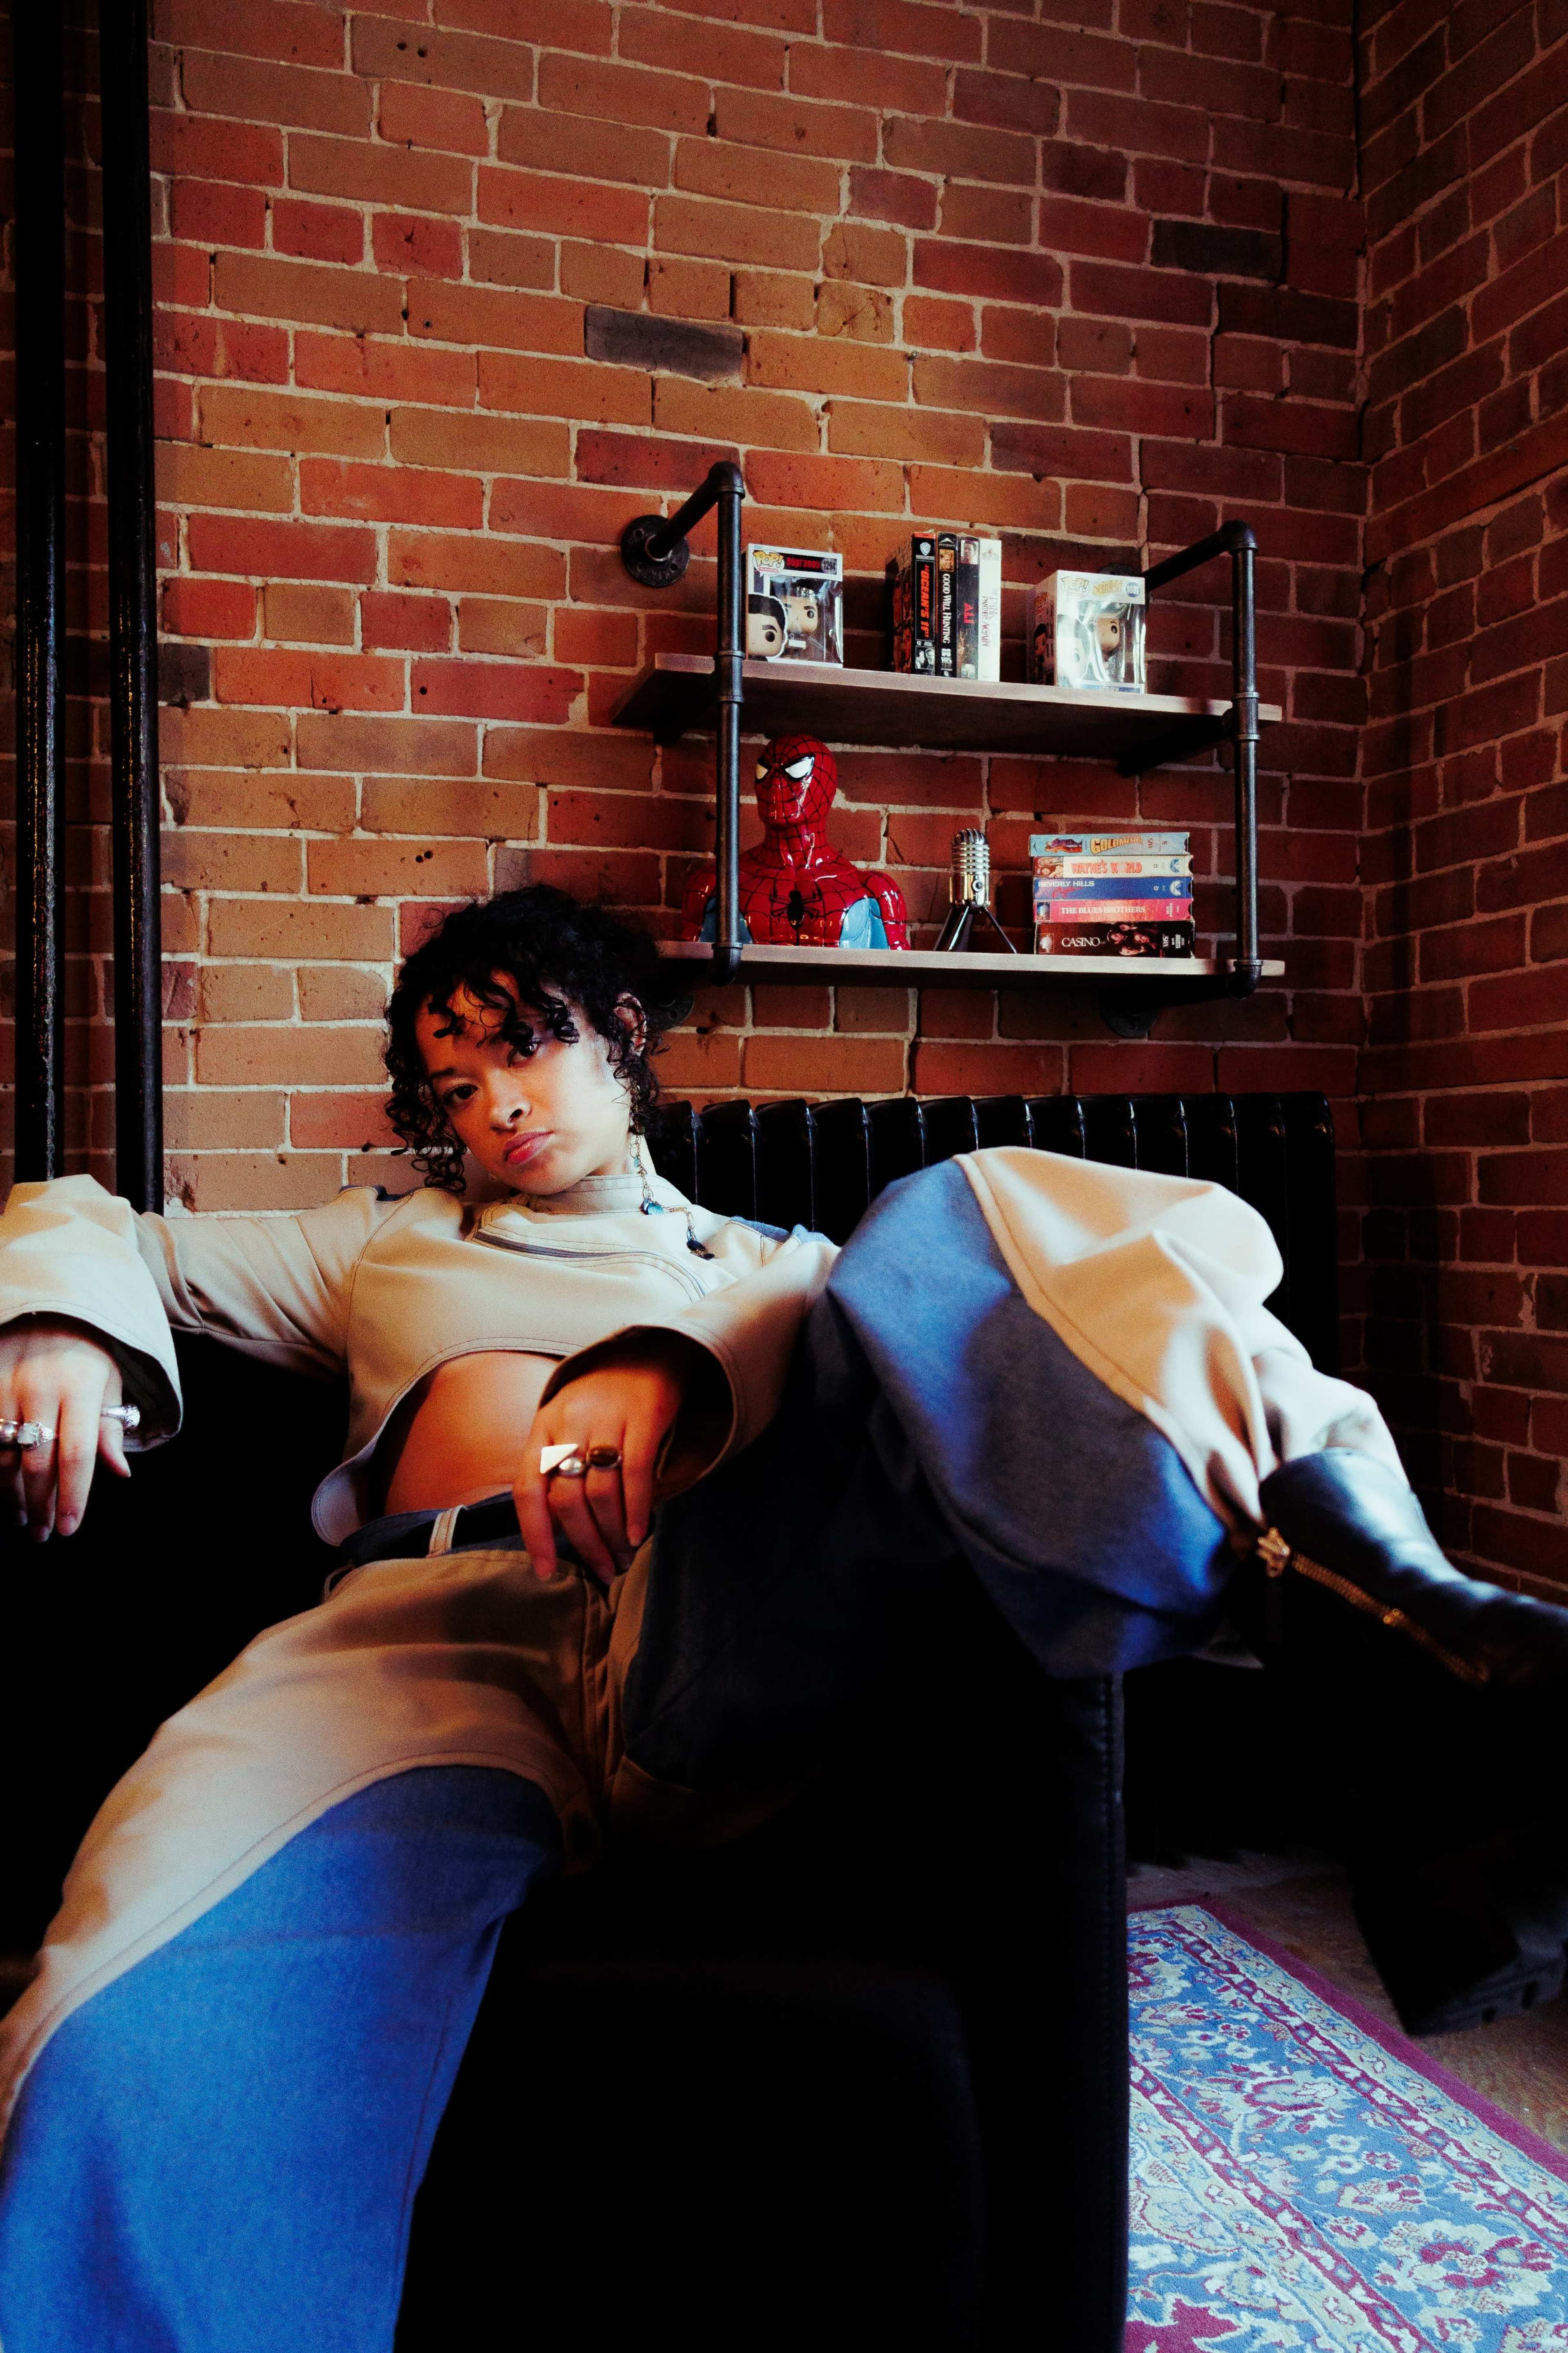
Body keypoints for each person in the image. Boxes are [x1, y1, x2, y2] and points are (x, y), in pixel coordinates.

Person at [0, 883, 1563, 2352]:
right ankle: (1398, 1688)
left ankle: (1393, 1635)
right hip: (429, 1645)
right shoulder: (383, 1241)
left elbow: (911, 1339)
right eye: (455, 1083)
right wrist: (67, 1322)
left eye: (525, 1044)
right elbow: (86, 1212)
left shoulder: (781, 1266)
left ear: (621, 1033)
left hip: (721, 1628)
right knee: (122, 2034)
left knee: (970, 1220)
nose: (497, 1106)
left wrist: (673, 1370)